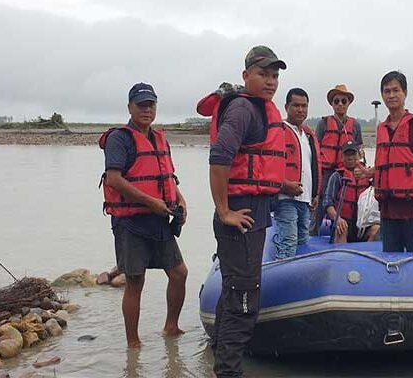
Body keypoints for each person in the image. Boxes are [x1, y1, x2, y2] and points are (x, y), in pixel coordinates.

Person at [201, 45, 287, 378]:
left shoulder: (260, 109)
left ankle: (220, 368)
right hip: (240, 217)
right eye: (263, 74)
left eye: (275, 75)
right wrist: (224, 210)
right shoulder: (242, 110)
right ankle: (228, 372)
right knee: (244, 303)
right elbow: (220, 157)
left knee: (233, 293)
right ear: (246, 75)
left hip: (254, 212)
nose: (271, 81)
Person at [99, 82, 188, 348]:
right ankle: (133, 343)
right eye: (141, 105)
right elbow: (114, 179)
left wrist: (181, 201)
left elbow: (169, 177)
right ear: (130, 107)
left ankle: (171, 326)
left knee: (179, 273)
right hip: (131, 222)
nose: (147, 110)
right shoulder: (119, 138)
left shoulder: (160, 138)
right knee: (135, 281)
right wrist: (150, 202)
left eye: (151, 105)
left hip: (159, 218)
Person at [358, 71, 413, 252]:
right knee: (390, 259)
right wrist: (368, 172)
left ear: (405, 93)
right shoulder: (381, 128)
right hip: (388, 209)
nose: (391, 95)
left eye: (396, 90)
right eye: (387, 91)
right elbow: (386, 164)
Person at [274, 87, 321, 259]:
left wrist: (315, 193)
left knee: (303, 242)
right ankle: (281, 280)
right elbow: (271, 165)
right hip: (286, 198)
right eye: (296, 105)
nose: (301, 110)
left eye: (304, 106)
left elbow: (312, 166)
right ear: (286, 107)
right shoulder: (278, 131)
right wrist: (283, 186)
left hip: (306, 200)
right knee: (288, 241)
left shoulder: (308, 135)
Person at [310, 84, 363, 235]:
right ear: (332, 104)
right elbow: (316, 149)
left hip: (346, 173)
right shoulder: (324, 123)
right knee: (319, 206)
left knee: (348, 204)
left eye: (343, 101)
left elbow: (359, 150)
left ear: (348, 103)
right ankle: (312, 235)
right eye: (336, 101)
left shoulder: (355, 125)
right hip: (326, 172)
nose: (340, 104)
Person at [322, 141, 379, 243]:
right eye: (347, 155)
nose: (350, 158)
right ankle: (341, 257)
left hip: (364, 224)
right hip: (345, 221)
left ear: (359, 155)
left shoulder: (369, 175)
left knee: (376, 230)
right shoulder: (337, 176)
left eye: (353, 154)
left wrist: (370, 175)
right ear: (342, 157)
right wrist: (337, 219)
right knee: (341, 228)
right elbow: (327, 203)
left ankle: (369, 256)